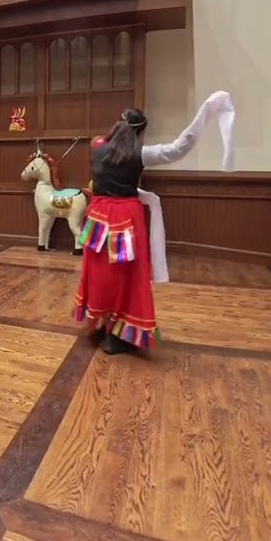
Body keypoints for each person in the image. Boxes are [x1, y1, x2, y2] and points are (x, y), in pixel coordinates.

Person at [75, 91, 235, 355]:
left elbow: (100, 143)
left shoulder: (98, 147)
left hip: (98, 217)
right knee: (127, 276)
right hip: (125, 219)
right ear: (141, 131)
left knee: (99, 271)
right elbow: (178, 148)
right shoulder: (141, 153)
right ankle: (118, 335)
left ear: (118, 124)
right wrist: (204, 115)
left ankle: (101, 321)